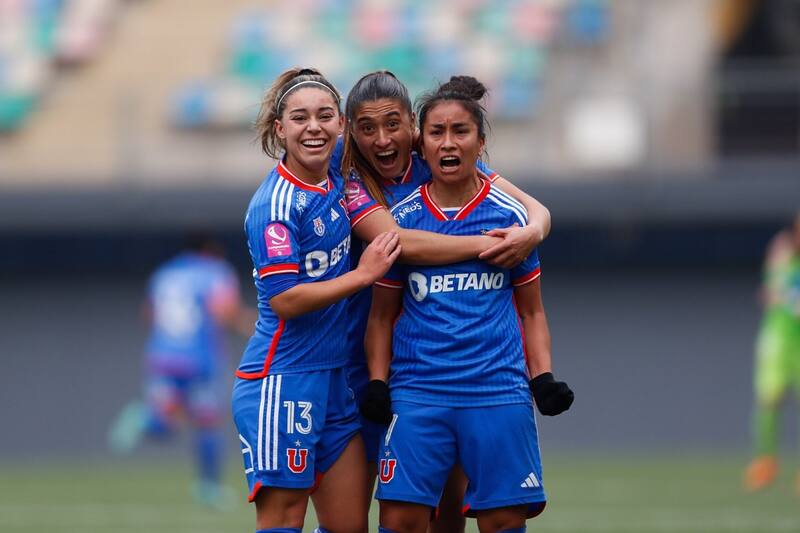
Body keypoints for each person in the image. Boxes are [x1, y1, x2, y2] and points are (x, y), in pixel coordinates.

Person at [337, 70, 552, 532]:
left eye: (392, 125)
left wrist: (533, 230)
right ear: (350, 130)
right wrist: (485, 245)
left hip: (482, 380)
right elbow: (397, 244)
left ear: (411, 130)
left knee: (454, 508)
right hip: (376, 365)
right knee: (357, 517)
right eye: (367, 128)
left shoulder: (444, 158)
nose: (382, 139)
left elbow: (532, 213)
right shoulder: (351, 180)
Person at [232, 67, 400, 533]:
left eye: (325, 116)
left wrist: (533, 216)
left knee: (349, 524)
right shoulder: (275, 205)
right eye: (300, 118)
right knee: (283, 519)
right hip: (283, 379)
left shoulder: (335, 174)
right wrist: (362, 276)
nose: (314, 127)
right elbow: (285, 299)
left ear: (341, 125)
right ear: (279, 129)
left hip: (335, 383)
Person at [108, 233, 255, 508]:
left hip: (163, 357)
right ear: (211, 249)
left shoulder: (165, 273)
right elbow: (224, 311)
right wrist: (255, 328)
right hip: (200, 360)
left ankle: (144, 417)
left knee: (166, 424)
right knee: (207, 422)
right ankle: (209, 488)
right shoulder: (215, 271)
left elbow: (148, 314)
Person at [743, 212, 800, 493]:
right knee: (769, 398)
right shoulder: (782, 250)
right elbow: (772, 291)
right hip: (778, 337)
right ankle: (765, 461)